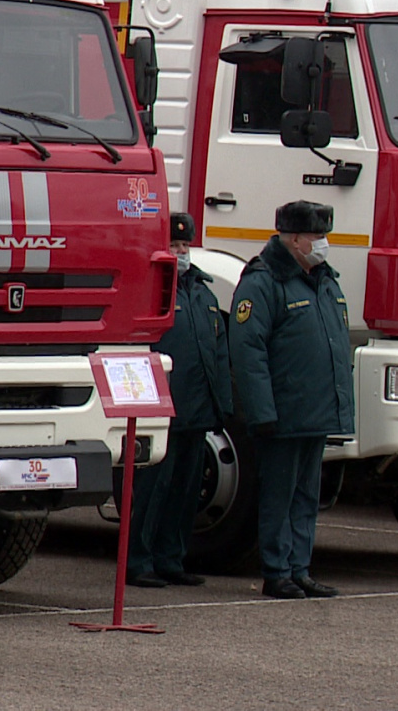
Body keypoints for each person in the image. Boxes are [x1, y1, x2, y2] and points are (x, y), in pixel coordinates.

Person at [228, 200, 353, 599]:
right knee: (279, 497)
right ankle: (276, 571)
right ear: (294, 238)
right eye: (317, 237)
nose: (323, 244)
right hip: (282, 414)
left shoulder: (323, 280)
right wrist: (262, 411)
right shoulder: (263, 282)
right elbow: (249, 351)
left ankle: (300, 568)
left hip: (313, 412)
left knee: (305, 497)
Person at [126, 211, 233, 588]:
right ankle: (138, 561)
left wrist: (222, 404)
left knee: (185, 493)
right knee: (153, 490)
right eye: (174, 245)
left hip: (198, 410)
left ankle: (171, 558)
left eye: (186, 245)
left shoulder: (202, 291)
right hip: (163, 410)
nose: (182, 251)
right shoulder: (151, 288)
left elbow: (218, 350)